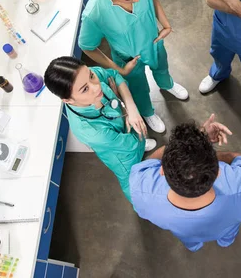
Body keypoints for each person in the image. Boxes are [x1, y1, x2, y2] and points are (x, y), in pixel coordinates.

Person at [78, 0, 188, 134]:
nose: (137, 0)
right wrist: (119, 69)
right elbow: (88, 47)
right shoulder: (94, 13)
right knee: (137, 87)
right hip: (128, 58)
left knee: (162, 67)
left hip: (154, 42)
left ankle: (166, 84)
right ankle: (147, 111)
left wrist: (166, 24)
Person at [129, 116, 241, 252]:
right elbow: (235, 157)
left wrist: (189, 145)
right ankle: (226, 242)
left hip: (184, 233)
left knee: (189, 239)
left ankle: (194, 246)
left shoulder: (139, 188)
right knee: (228, 232)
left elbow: (149, 162)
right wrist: (202, 144)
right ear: (218, 171)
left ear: (162, 170)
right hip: (226, 226)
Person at [44, 56, 157, 202]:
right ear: (68, 100)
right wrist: (123, 107)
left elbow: (114, 75)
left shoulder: (86, 75)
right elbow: (129, 144)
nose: (97, 86)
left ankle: (142, 145)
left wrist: (131, 107)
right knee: (132, 180)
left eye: (91, 76)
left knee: (139, 139)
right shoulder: (90, 131)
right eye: (85, 89)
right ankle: (140, 204)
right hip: (123, 156)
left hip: (128, 130)